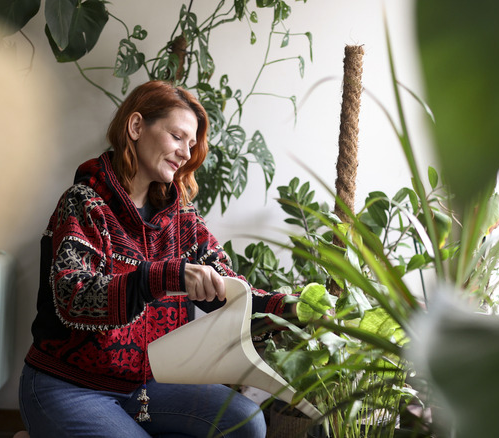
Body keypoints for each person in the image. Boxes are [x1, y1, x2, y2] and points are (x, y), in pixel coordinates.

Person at [19, 80, 294, 438]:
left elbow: (230, 288)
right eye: (177, 137)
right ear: (135, 127)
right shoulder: (83, 202)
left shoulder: (180, 217)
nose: (185, 152)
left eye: (191, 144)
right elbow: (75, 296)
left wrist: (291, 309)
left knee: (246, 422)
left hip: (145, 387)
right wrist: (162, 276)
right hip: (68, 386)